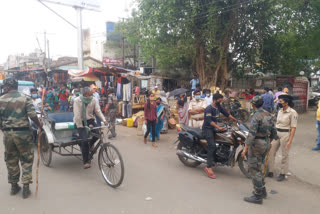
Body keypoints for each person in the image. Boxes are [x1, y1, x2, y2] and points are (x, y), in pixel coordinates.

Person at [0, 77, 42, 199]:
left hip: (8, 134)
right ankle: (25, 188)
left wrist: (4, 129)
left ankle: (14, 187)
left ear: (6, 86)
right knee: (26, 159)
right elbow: (32, 115)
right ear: (16, 86)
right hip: (23, 133)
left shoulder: (1, 99)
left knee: (11, 159)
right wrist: (40, 125)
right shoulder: (25, 98)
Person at [241, 96, 278, 204]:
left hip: (256, 144)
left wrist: (245, 149)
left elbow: (251, 135)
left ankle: (258, 196)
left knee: (254, 168)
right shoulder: (269, 115)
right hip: (266, 143)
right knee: (259, 166)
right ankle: (263, 191)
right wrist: (269, 142)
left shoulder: (256, 117)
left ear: (253, 105)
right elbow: (274, 132)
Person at [202, 93, 237, 179]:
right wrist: (218, 127)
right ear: (215, 100)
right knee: (212, 146)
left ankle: (217, 157)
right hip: (207, 129)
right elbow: (209, 121)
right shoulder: (209, 109)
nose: (220, 102)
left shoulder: (218, 107)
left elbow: (225, 113)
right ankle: (208, 167)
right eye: (219, 100)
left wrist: (234, 119)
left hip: (214, 128)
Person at [73, 87, 107, 169]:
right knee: (84, 140)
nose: (92, 95)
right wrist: (81, 126)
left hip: (90, 120)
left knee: (97, 134)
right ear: (85, 94)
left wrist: (104, 120)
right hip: (80, 121)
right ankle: (86, 161)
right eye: (90, 93)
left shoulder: (93, 100)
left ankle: (90, 145)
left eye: (92, 93)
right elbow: (77, 115)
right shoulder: (77, 100)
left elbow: (98, 111)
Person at [268, 94, 298, 181]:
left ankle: (282, 173)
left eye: (281, 100)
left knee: (284, 154)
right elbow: (276, 124)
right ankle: (270, 171)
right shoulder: (280, 110)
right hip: (277, 133)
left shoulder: (293, 112)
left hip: (285, 134)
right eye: (279, 100)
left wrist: (289, 141)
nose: (279, 101)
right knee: (271, 151)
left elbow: (293, 128)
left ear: (286, 102)